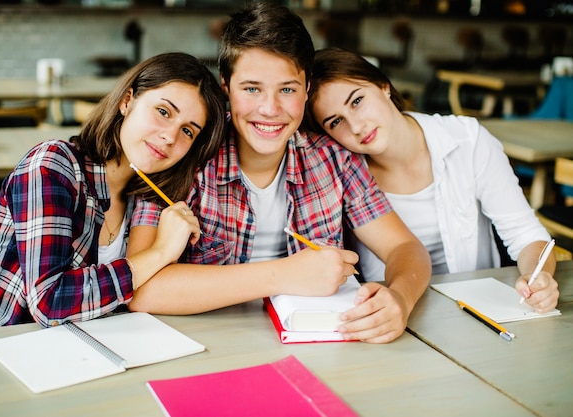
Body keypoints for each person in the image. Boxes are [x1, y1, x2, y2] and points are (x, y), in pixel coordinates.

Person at [127, 2, 431, 344]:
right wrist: (283, 274)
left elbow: (405, 247)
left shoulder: (335, 160)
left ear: (306, 89)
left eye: (287, 89)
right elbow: (141, 289)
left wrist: (400, 299)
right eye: (252, 88)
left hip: (320, 351)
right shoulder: (186, 152)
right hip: (205, 348)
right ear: (226, 87)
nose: (270, 109)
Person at [0, 52, 227, 330]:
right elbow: (50, 303)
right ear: (126, 101)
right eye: (163, 112)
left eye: (188, 131)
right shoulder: (52, 166)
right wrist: (161, 251)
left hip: (74, 353)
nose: (170, 136)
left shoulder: (146, 201)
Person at [304, 47, 559, 313]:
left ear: (383, 85)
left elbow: (525, 233)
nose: (356, 126)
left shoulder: (468, 140)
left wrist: (539, 278)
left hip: (480, 308)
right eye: (335, 122)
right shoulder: (340, 173)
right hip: (396, 311)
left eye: (357, 101)